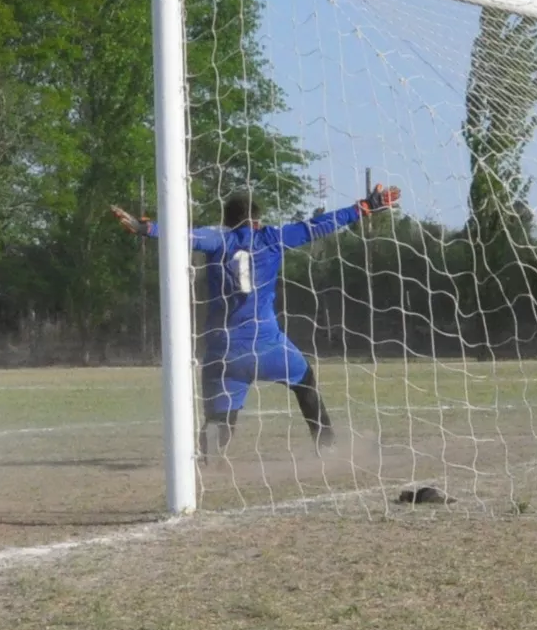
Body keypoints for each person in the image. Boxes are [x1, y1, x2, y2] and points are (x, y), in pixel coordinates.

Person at [111, 183, 401, 459]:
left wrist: (146, 228)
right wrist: (364, 207)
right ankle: (326, 447)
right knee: (305, 383)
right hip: (267, 346)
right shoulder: (272, 238)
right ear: (257, 221)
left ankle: (208, 461)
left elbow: (182, 235)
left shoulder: (216, 239)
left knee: (219, 421)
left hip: (222, 352)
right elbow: (317, 226)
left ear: (226, 222)